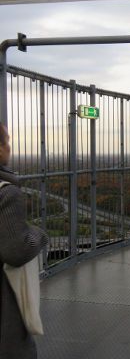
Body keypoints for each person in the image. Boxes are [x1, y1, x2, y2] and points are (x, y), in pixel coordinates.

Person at [0, 122, 48, 359]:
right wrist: (39, 235)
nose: (9, 146)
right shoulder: (7, 192)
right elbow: (16, 250)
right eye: (7, 141)